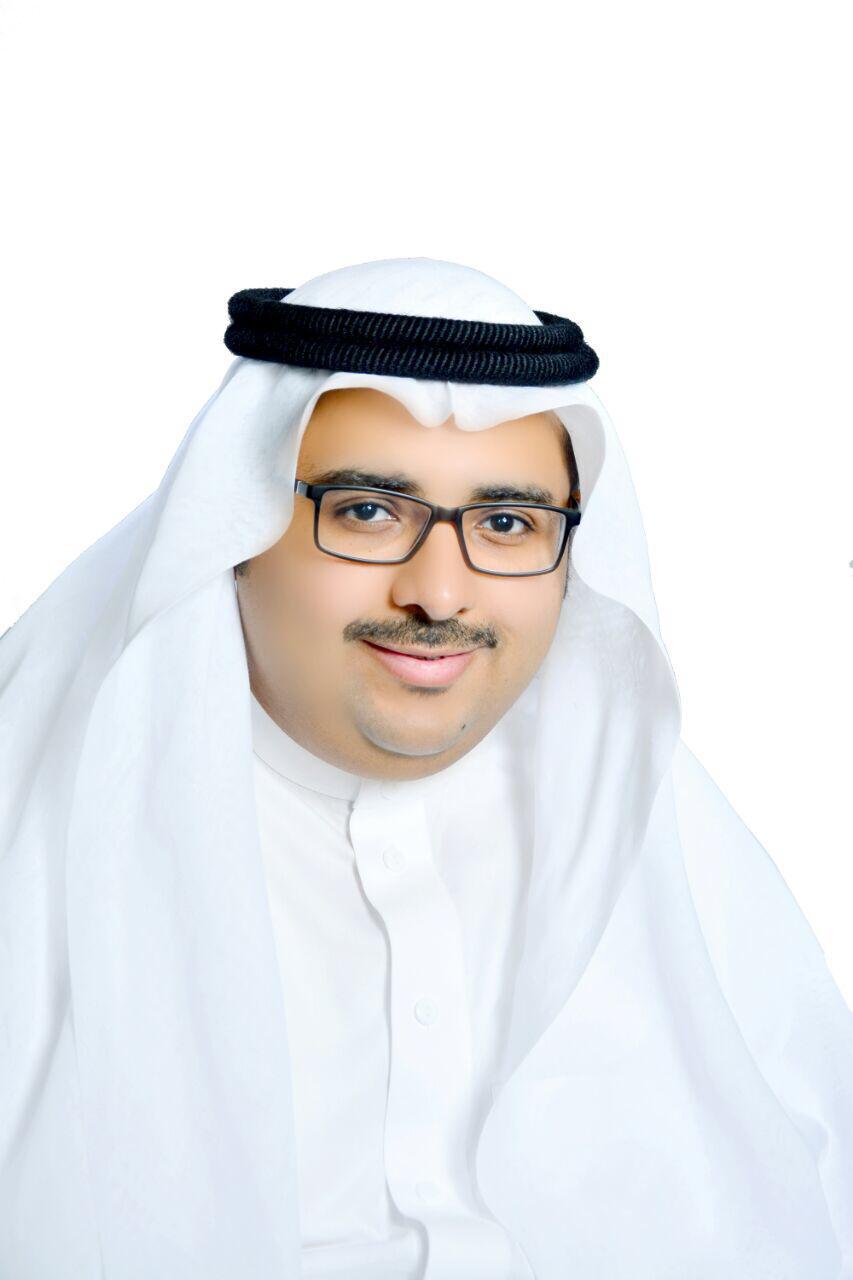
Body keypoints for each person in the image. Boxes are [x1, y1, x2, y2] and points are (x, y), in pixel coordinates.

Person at [1, 256, 851, 1280]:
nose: (439, 592)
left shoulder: (652, 833)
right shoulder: (37, 832)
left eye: (507, 523)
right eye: (367, 510)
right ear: (237, 528)